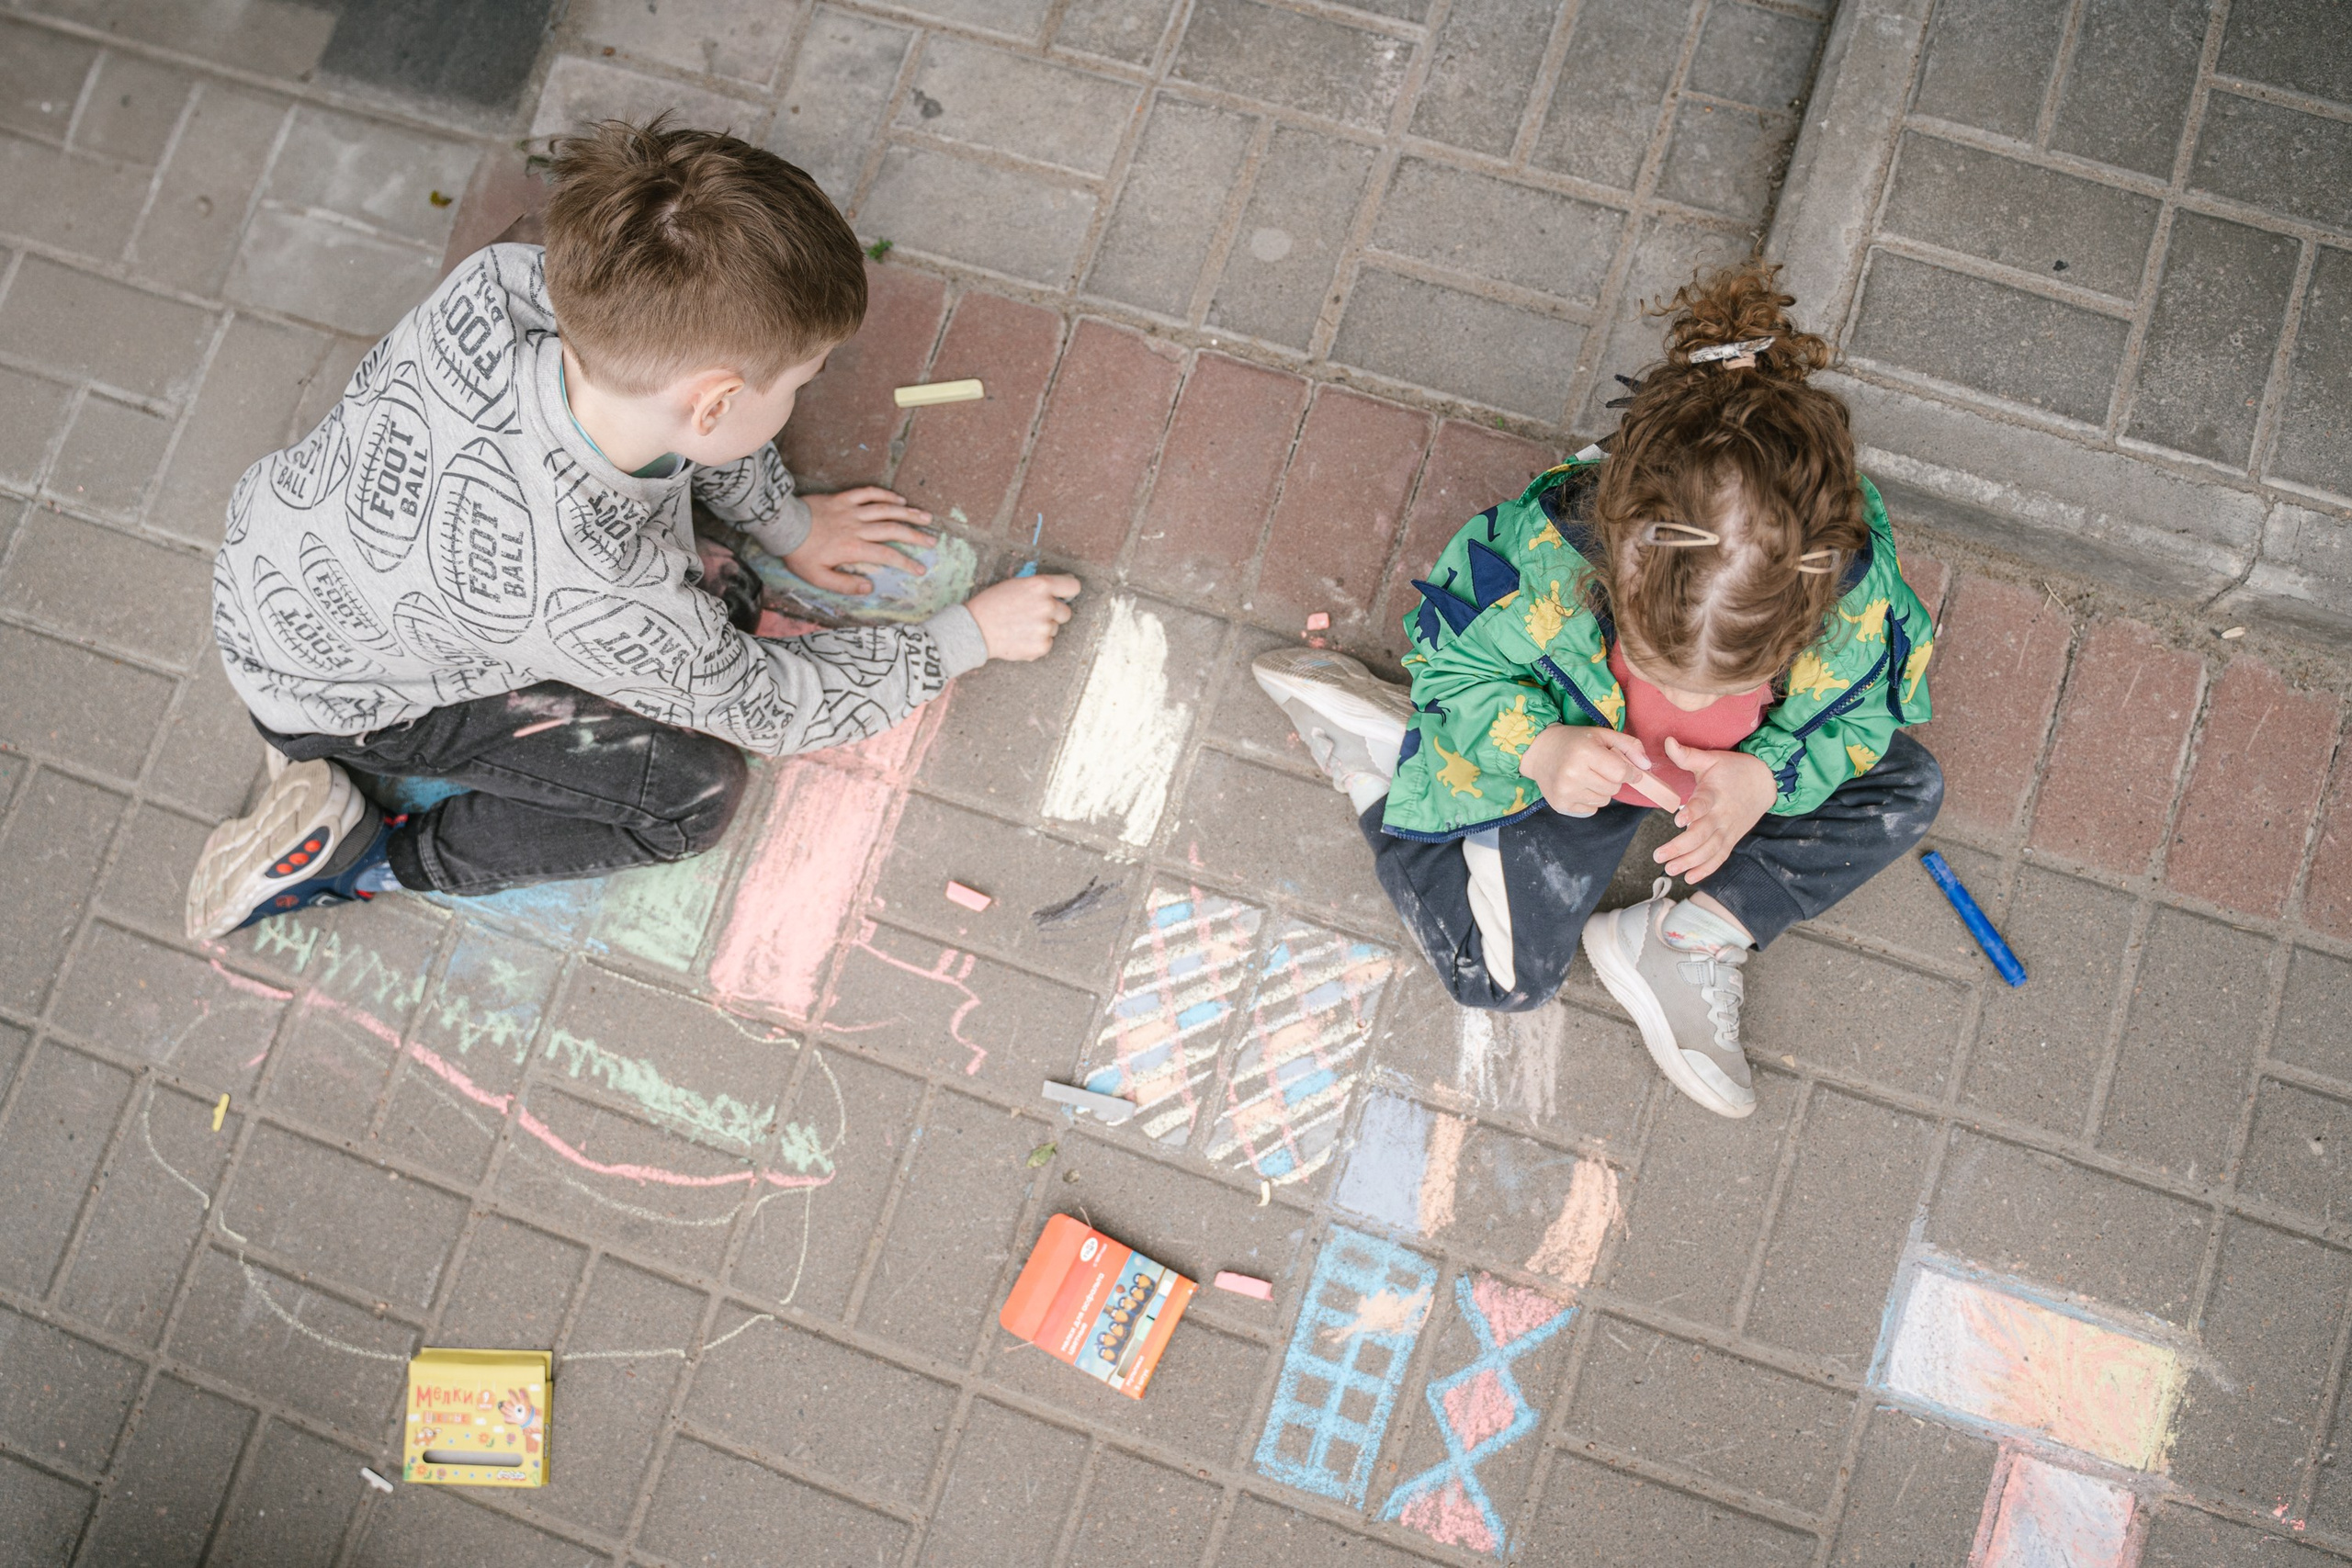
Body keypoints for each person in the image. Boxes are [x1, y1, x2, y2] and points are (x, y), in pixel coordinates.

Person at [186, 118, 1079, 940]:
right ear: (717, 400)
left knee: (718, 585)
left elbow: (685, 432)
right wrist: (966, 638)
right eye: (797, 383)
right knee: (689, 795)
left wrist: (787, 523)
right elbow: (767, 705)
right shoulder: (595, 584)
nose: (800, 395)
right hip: (349, 699)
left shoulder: (505, 284)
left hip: (287, 573)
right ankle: (376, 859)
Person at [1254, 264, 1940, 1121]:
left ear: (1810, 603)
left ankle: (1690, 938)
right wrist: (1540, 747)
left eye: (1734, 680)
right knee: (1496, 981)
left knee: (1912, 786)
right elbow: (1451, 659)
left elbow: (1866, 701)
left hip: (1719, 780)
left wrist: (1767, 772)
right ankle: (1384, 760)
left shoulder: (1847, 579)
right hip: (1578, 765)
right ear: (1614, 560)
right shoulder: (1541, 558)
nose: (1689, 712)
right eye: (1659, 669)